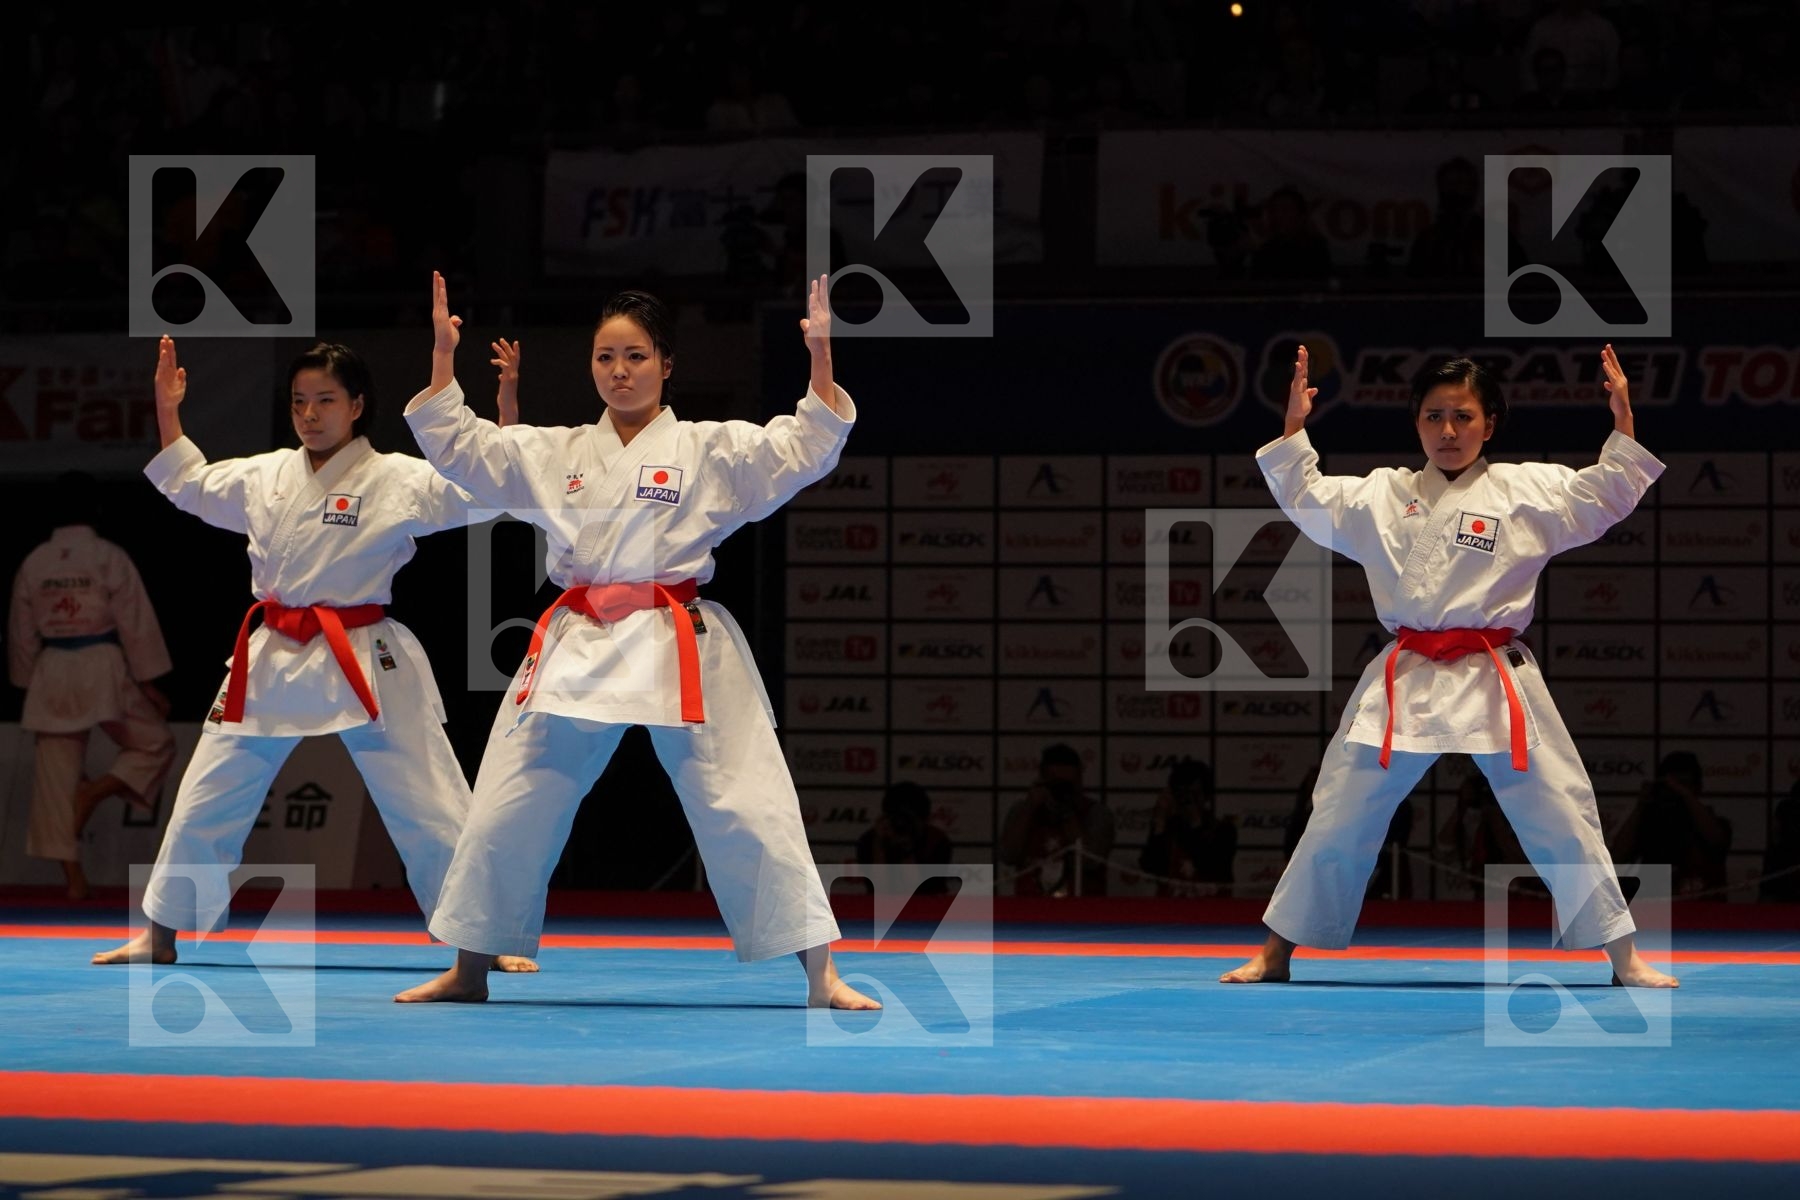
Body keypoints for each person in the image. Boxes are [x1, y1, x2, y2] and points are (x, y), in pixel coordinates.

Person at [392, 272, 876, 1008]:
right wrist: (440, 356)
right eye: (605, 358)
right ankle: (469, 967)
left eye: (636, 357)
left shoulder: (710, 450)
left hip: (680, 635)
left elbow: (803, 446)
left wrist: (820, 356)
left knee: (750, 802)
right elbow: (467, 451)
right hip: (579, 638)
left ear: (667, 363)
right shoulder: (559, 454)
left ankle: (822, 973)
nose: (620, 372)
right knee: (506, 802)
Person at [1221, 346, 1677, 988]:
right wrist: (1294, 430)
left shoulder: (1526, 490)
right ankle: (1276, 952)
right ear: (1417, 425)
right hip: (1408, 672)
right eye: (1434, 417)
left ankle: (1624, 957)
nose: (1448, 431)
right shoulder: (1382, 496)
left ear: (1489, 424)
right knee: (1338, 810)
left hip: (1495, 673)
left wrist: (1623, 423)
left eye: (1463, 417)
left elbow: (1603, 496)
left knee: (1562, 808)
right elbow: (1308, 495)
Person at [92, 337, 534, 971]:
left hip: (362, 654)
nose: (309, 413)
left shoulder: (395, 478)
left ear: (357, 406)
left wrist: (504, 413)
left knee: (431, 804)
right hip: (270, 654)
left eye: (325, 399)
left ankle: (481, 943)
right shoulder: (267, 474)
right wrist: (168, 410)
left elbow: (484, 493)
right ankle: (160, 933)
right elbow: (187, 483)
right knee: (207, 794)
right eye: (299, 401)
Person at [8, 474, 176, 900]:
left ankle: (74, 881)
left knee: (55, 780)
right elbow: (134, 622)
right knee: (155, 743)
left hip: (52, 668)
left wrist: (28, 682)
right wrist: (149, 682)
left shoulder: (35, 562)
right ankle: (94, 794)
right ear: (96, 512)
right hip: (101, 664)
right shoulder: (107, 556)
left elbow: (21, 630)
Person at [999, 744, 1115, 897]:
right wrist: (1029, 808)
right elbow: (1007, 854)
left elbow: (1089, 861)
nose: (1062, 790)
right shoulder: (1023, 810)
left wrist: (1067, 812)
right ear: (1042, 779)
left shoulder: (1097, 813)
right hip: (1029, 909)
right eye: (1056, 783)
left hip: (1082, 910)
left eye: (1069, 785)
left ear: (1080, 780)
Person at [1614, 751, 1731, 898]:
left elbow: (1717, 841)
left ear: (1698, 788)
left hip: (1703, 910)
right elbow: (1617, 857)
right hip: (1655, 911)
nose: (1676, 792)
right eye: (1671, 786)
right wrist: (1641, 805)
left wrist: (1685, 795)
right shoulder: (1652, 823)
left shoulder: (1712, 822)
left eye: (1684, 785)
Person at [1138, 760, 1237, 896]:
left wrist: (1196, 822)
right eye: (1182, 793)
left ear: (1206, 795)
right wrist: (1160, 822)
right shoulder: (1169, 828)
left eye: (1194, 793)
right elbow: (1150, 867)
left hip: (1212, 909)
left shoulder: (1224, 830)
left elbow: (1213, 867)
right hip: (1172, 909)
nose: (1188, 800)